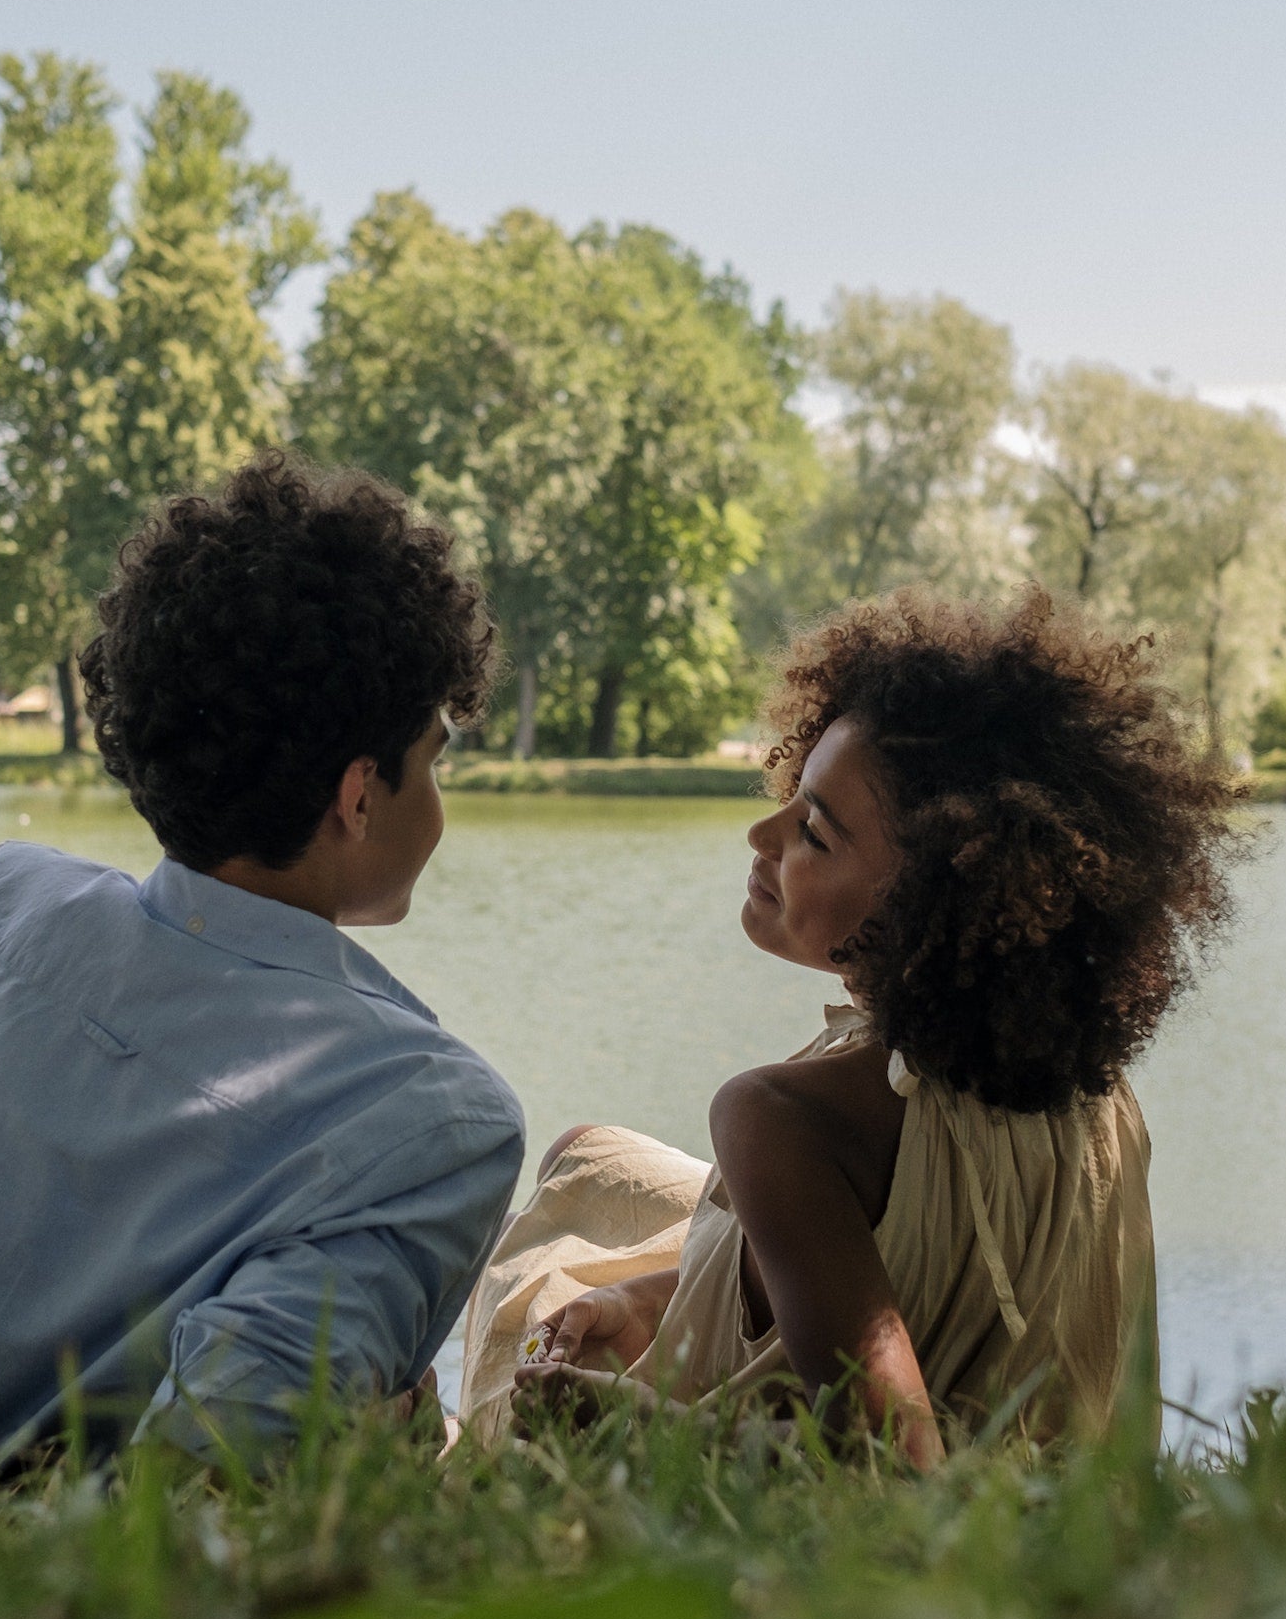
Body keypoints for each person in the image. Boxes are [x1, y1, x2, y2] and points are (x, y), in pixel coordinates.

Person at [0, 454, 521, 1465]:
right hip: (13, 1593)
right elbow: (212, 1474)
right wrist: (367, 1450)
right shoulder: (433, 1116)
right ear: (358, 795)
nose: (440, 801)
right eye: (435, 761)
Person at [460, 590, 1242, 1464]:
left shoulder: (780, 1120)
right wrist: (650, 1298)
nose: (763, 830)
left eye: (816, 834)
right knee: (592, 1158)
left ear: (936, 903)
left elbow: (897, 1467)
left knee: (532, 1279)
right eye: (794, 795)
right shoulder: (1098, 1092)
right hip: (1055, 1480)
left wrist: (636, 1427)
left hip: (823, 1501)